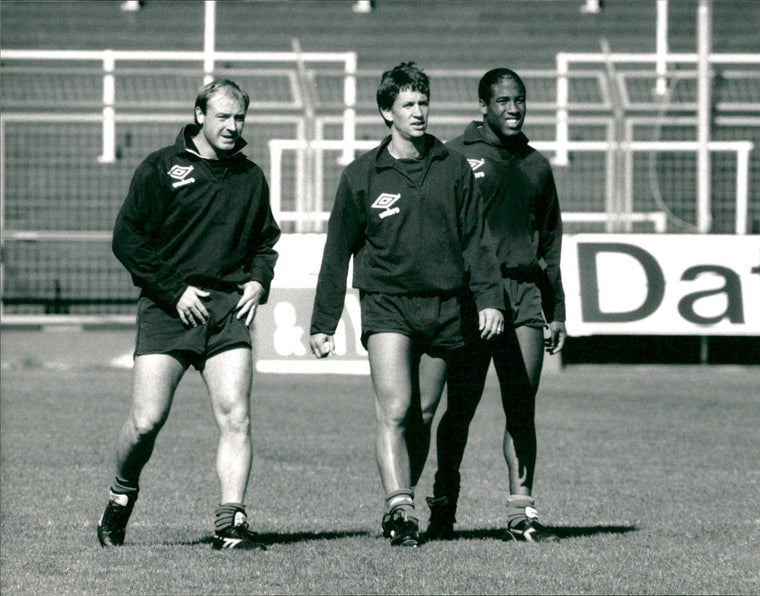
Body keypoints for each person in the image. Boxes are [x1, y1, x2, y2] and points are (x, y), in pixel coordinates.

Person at [309, 62, 505, 547]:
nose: (418, 113)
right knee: (395, 409)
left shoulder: (453, 167)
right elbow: (337, 251)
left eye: (423, 104)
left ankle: (402, 502)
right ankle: (400, 507)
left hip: (446, 308)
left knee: (423, 413)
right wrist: (323, 321)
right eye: (408, 105)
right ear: (386, 112)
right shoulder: (361, 175)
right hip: (387, 306)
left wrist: (489, 298)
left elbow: (477, 240)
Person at [97, 78, 281, 550]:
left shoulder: (250, 176)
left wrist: (259, 279)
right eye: (222, 116)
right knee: (145, 422)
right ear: (200, 115)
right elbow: (128, 240)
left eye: (239, 117)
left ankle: (231, 522)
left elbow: (265, 242)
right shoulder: (161, 167)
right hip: (168, 307)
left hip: (226, 311)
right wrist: (175, 291)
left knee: (236, 416)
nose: (232, 126)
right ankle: (120, 496)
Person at [426, 68, 567, 543]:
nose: (513, 109)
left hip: (524, 295)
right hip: (473, 300)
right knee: (460, 408)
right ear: (483, 106)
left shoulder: (536, 165)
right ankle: (443, 501)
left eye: (519, 100)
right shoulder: (455, 156)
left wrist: (558, 310)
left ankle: (520, 512)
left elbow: (550, 246)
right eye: (503, 101)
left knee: (521, 406)